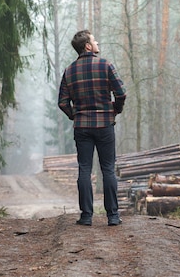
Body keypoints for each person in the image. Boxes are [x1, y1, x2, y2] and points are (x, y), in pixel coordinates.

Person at [58, 30, 126, 226]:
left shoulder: (69, 71)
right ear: (87, 46)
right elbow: (121, 93)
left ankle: (86, 216)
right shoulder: (105, 65)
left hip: (82, 127)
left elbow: (63, 102)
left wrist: (75, 115)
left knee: (84, 169)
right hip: (104, 124)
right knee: (108, 169)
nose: (97, 42)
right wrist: (115, 110)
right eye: (94, 40)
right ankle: (113, 216)